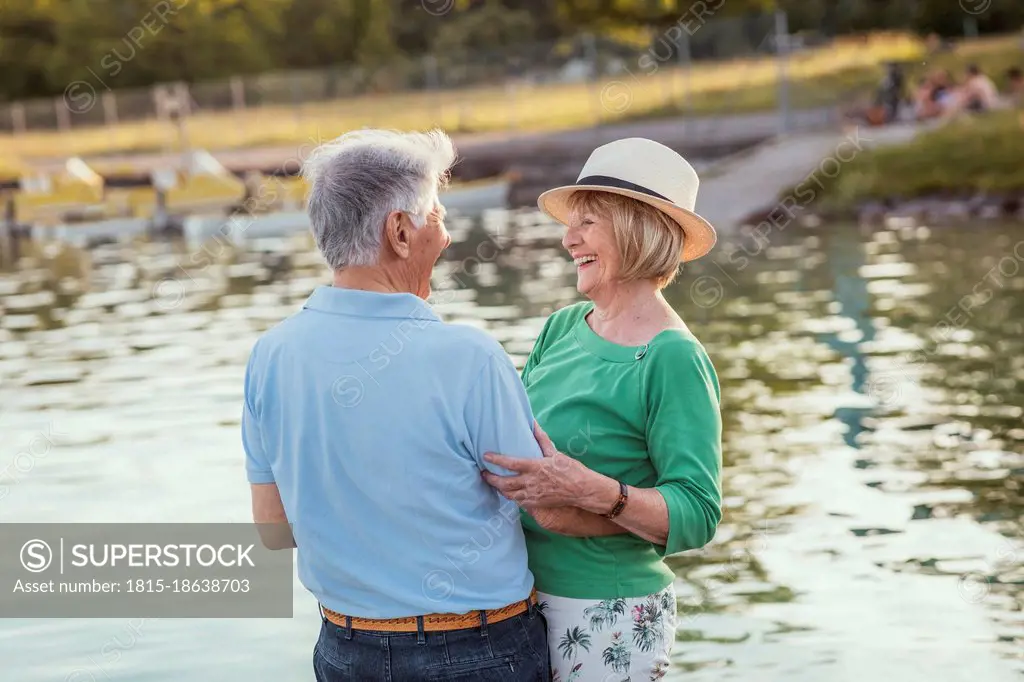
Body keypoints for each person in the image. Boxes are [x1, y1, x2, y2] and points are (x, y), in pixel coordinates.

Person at [241, 129, 552, 681]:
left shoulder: (270, 357)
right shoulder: (470, 357)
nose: (448, 236)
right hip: (479, 652)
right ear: (401, 232)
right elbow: (548, 510)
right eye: (437, 215)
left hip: (345, 650)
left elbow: (273, 531)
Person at [482, 138, 723, 681]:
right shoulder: (561, 327)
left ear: (636, 230)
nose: (569, 239)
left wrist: (594, 493)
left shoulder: (672, 357)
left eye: (587, 223)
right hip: (517, 599)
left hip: (608, 615)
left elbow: (698, 512)